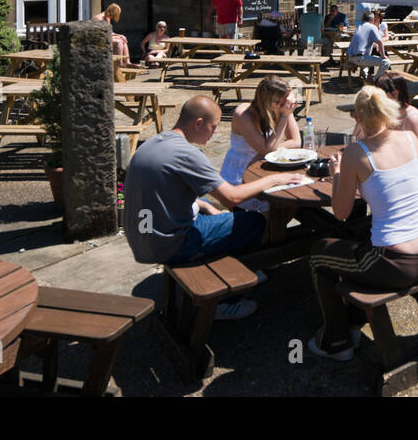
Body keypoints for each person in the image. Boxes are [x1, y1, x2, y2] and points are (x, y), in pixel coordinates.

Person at [123, 96, 305, 319]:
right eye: (214, 126)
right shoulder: (187, 154)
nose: (215, 133)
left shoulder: (156, 141)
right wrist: (275, 180)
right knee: (255, 221)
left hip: (143, 238)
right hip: (170, 244)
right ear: (198, 123)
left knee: (209, 204)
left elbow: (161, 190)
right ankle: (225, 302)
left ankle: (229, 260)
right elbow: (232, 198)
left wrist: (202, 205)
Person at [307, 86, 418, 360]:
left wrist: (338, 174)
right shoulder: (410, 137)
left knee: (320, 253)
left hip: (396, 263)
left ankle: (336, 341)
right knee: (359, 236)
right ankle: (353, 321)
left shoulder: (357, 152)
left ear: (356, 117)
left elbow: (341, 212)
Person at [220, 77, 302, 212]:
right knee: (270, 211)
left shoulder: (282, 106)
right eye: (280, 103)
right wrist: (284, 116)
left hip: (267, 166)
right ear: (268, 101)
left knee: (291, 202)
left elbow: (296, 141)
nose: (284, 106)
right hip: (241, 172)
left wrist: (284, 114)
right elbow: (267, 149)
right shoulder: (243, 114)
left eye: (285, 101)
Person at [356, 72, 418, 179]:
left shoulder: (413, 118)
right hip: (393, 157)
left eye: (379, 93)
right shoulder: (382, 112)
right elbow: (358, 139)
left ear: (395, 94)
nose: (375, 98)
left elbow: (416, 156)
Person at [347, 11, 390, 79]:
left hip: (350, 58)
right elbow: (380, 42)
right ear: (372, 20)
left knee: (370, 54)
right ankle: (375, 80)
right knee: (386, 62)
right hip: (360, 58)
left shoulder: (359, 26)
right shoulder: (372, 27)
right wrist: (383, 55)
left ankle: (365, 75)